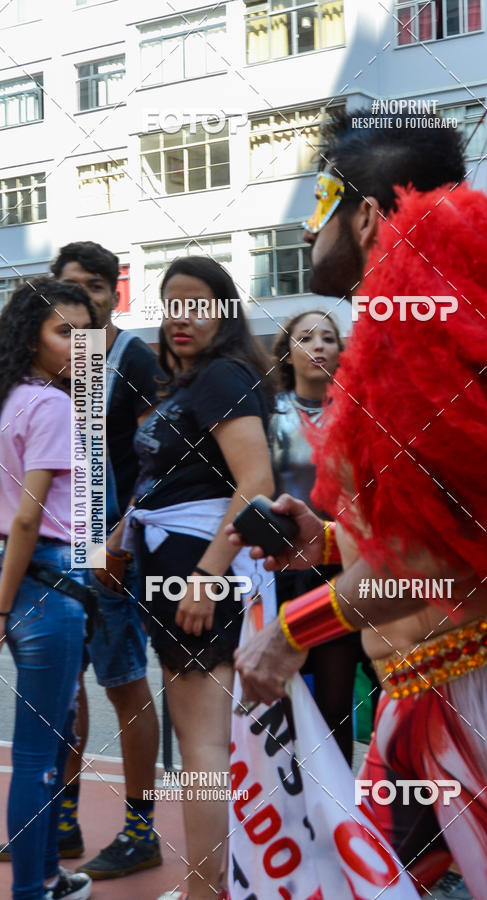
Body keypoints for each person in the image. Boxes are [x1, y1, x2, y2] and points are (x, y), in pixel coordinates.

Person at [228, 109, 487, 899]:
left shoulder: (417, 331)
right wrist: (325, 541)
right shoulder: (434, 331)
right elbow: (441, 532)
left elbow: (431, 564)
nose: (305, 232)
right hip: (430, 695)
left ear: (364, 215)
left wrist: (293, 631)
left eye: (318, 206)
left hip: (479, 698)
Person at [110, 256, 276, 900]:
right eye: (172, 303)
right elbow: (169, 482)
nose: (182, 315)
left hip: (198, 571)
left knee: (203, 745)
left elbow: (255, 483)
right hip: (177, 564)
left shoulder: (223, 377)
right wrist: (122, 537)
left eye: (198, 302)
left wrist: (204, 579)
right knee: (206, 741)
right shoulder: (197, 381)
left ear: (225, 310)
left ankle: (207, 888)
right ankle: (215, 882)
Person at [50, 242, 163, 880]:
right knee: (62, 690)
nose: (86, 297)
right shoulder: (45, 358)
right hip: (52, 548)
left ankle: (141, 828)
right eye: (73, 286)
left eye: (97, 287)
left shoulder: (133, 356)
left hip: (110, 551)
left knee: (124, 685)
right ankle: (62, 822)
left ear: (112, 293)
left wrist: (121, 535)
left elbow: (157, 458)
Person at [0, 277, 95, 899]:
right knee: (39, 756)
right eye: (65, 332)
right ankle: (35, 891)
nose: (81, 346)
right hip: (45, 586)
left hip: (27, 577)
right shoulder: (56, 407)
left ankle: (49, 878)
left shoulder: (14, 400)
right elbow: (30, 516)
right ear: (31, 336)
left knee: (43, 745)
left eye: (87, 334)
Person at [270, 309, 379, 764]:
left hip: (339, 566)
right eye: (306, 338)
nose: (318, 346)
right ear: (288, 353)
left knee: (334, 704)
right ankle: (290, 812)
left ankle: (337, 813)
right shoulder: (266, 414)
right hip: (280, 567)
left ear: (340, 353)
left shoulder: (359, 414)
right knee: (280, 700)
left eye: (329, 338)